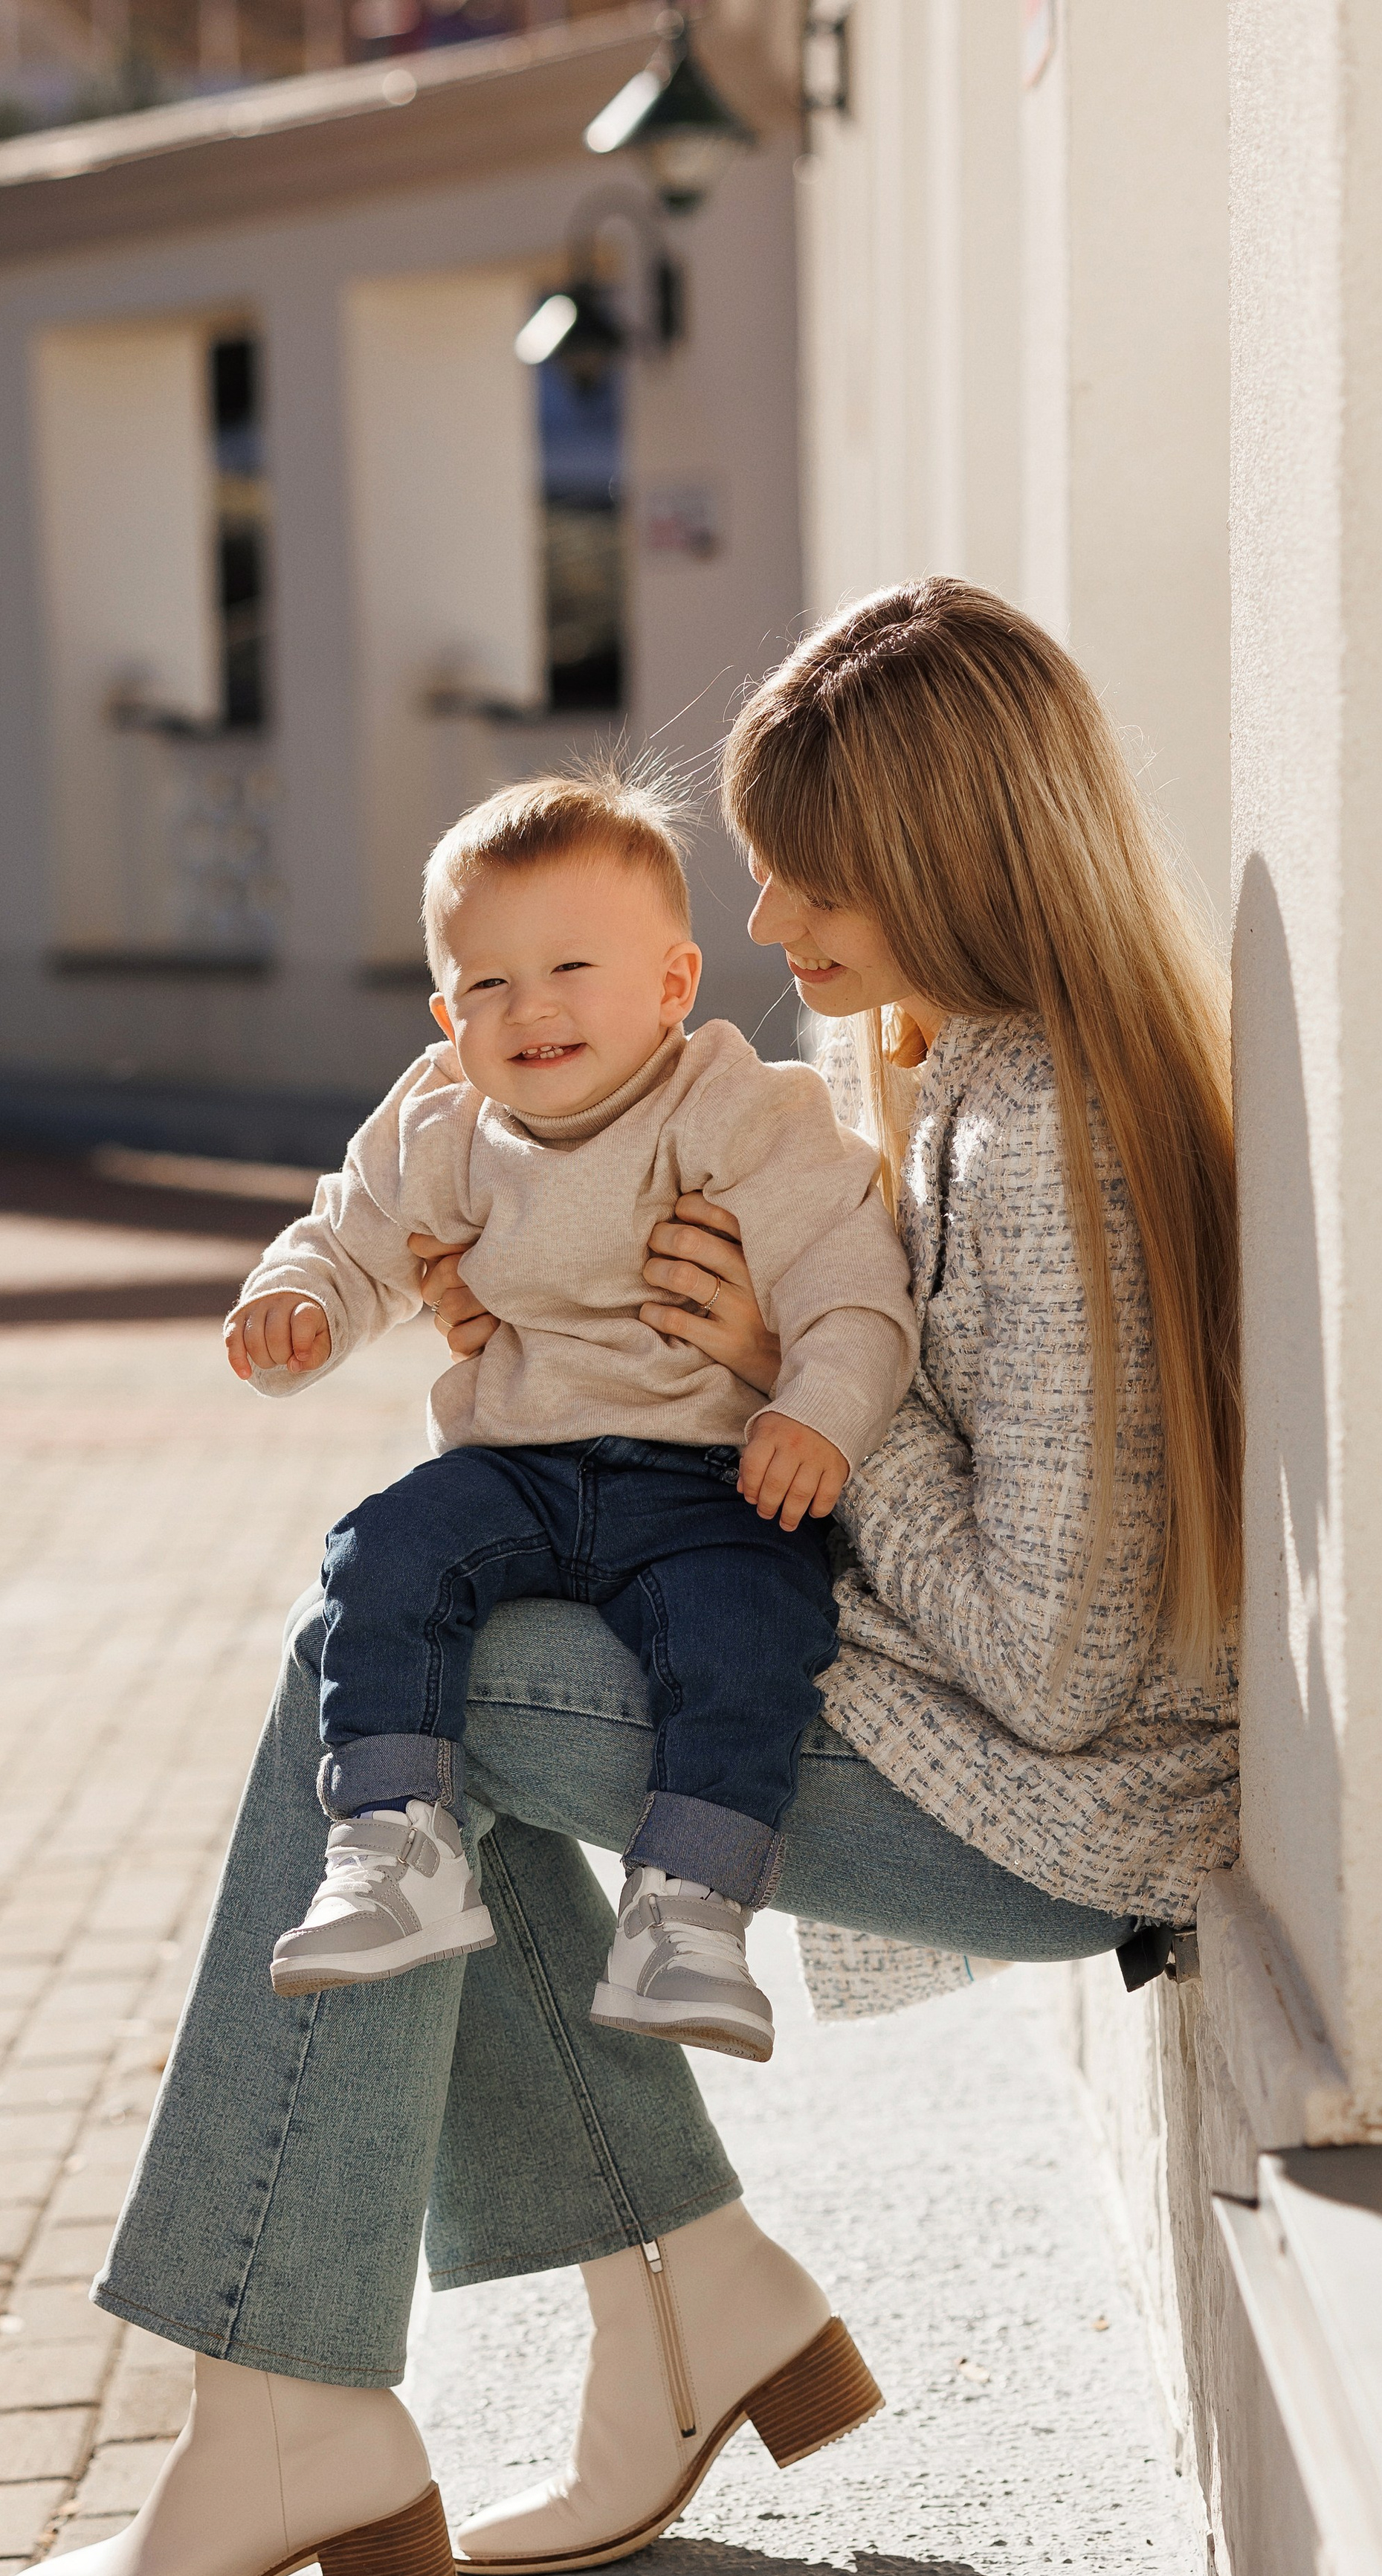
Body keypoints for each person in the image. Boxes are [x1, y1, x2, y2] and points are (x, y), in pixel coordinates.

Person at [0, 577, 1239, 2576]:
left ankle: (292, 2405)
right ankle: (680, 2303)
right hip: (955, 1730)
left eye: (809, 874)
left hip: (1040, 1808)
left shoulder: (1044, 1136)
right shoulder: (964, 1076)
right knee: (411, 1721)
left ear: (946, 854)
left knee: (373, 1686)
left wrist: (775, 1382)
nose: (765, 921)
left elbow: (1054, 1664)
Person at [227, 770, 915, 2066]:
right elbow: (350, 1233)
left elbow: (850, 1278)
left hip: (705, 1474)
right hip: (517, 1471)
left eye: (571, 969)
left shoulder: (735, 1107)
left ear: (672, 983)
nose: (530, 1007)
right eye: (488, 982)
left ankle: (690, 1911)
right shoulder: (441, 1120)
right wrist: (300, 1302)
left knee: (750, 1629)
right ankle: (396, 1845)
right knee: (379, 1554)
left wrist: (819, 1409)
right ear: (448, 1015)